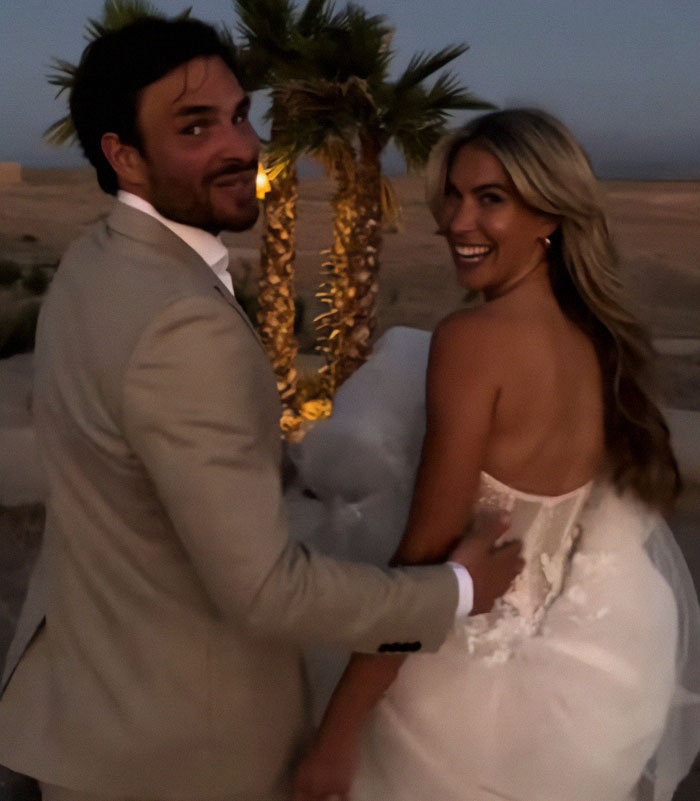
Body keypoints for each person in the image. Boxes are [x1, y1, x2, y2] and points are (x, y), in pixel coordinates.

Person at [0, 18, 523, 801]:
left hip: (84, 712)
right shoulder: (181, 321)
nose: (241, 145)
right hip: (182, 755)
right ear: (124, 155)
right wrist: (454, 592)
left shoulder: (92, 264)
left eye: (240, 115)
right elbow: (264, 589)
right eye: (195, 127)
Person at [292, 109, 700, 801]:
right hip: (575, 700)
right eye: (452, 195)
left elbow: (424, 557)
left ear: (550, 215)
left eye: (491, 199)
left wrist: (337, 733)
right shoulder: (598, 341)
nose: (457, 221)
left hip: (451, 694)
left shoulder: (472, 341)